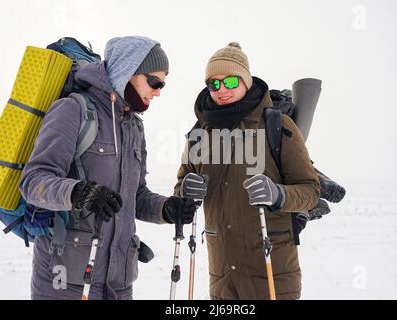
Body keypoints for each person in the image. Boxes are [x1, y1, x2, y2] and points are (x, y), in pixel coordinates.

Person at [19, 36, 196, 300]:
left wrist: (165, 209)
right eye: (154, 82)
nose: (158, 91)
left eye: (163, 85)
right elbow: (33, 182)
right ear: (128, 71)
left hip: (119, 282)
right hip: (65, 281)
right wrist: (80, 193)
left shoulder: (134, 126)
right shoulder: (73, 110)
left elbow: (135, 196)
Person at [174, 42, 320, 300]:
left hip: (273, 275)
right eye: (214, 84)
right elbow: (181, 189)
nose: (222, 90)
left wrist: (278, 195)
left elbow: (310, 191)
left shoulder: (277, 124)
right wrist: (185, 190)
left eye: (230, 82)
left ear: (246, 81)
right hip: (223, 278)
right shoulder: (199, 134)